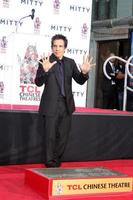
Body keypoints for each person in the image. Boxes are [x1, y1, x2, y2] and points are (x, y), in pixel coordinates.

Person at [35, 34, 95, 168]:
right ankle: (50, 163)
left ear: (65, 48)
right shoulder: (45, 61)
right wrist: (44, 71)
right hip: (50, 105)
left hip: (66, 105)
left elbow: (79, 80)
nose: (57, 49)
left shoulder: (70, 62)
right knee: (50, 136)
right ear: (52, 47)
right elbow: (38, 82)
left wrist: (84, 73)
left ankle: (56, 161)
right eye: (55, 46)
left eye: (60, 46)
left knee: (63, 137)